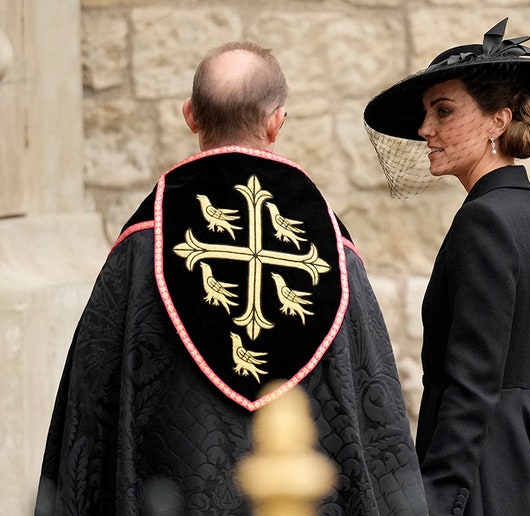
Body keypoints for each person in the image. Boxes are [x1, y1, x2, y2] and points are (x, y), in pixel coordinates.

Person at [35, 41, 426, 515]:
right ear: (276, 122)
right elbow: (373, 414)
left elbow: (89, 422)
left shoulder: (144, 246)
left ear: (190, 115)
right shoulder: (334, 253)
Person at [363, 18, 530, 516]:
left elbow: (472, 384)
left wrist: (441, 499)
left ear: (498, 121)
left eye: (443, 111)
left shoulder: (483, 221)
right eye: (427, 114)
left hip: (485, 475)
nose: (425, 130)